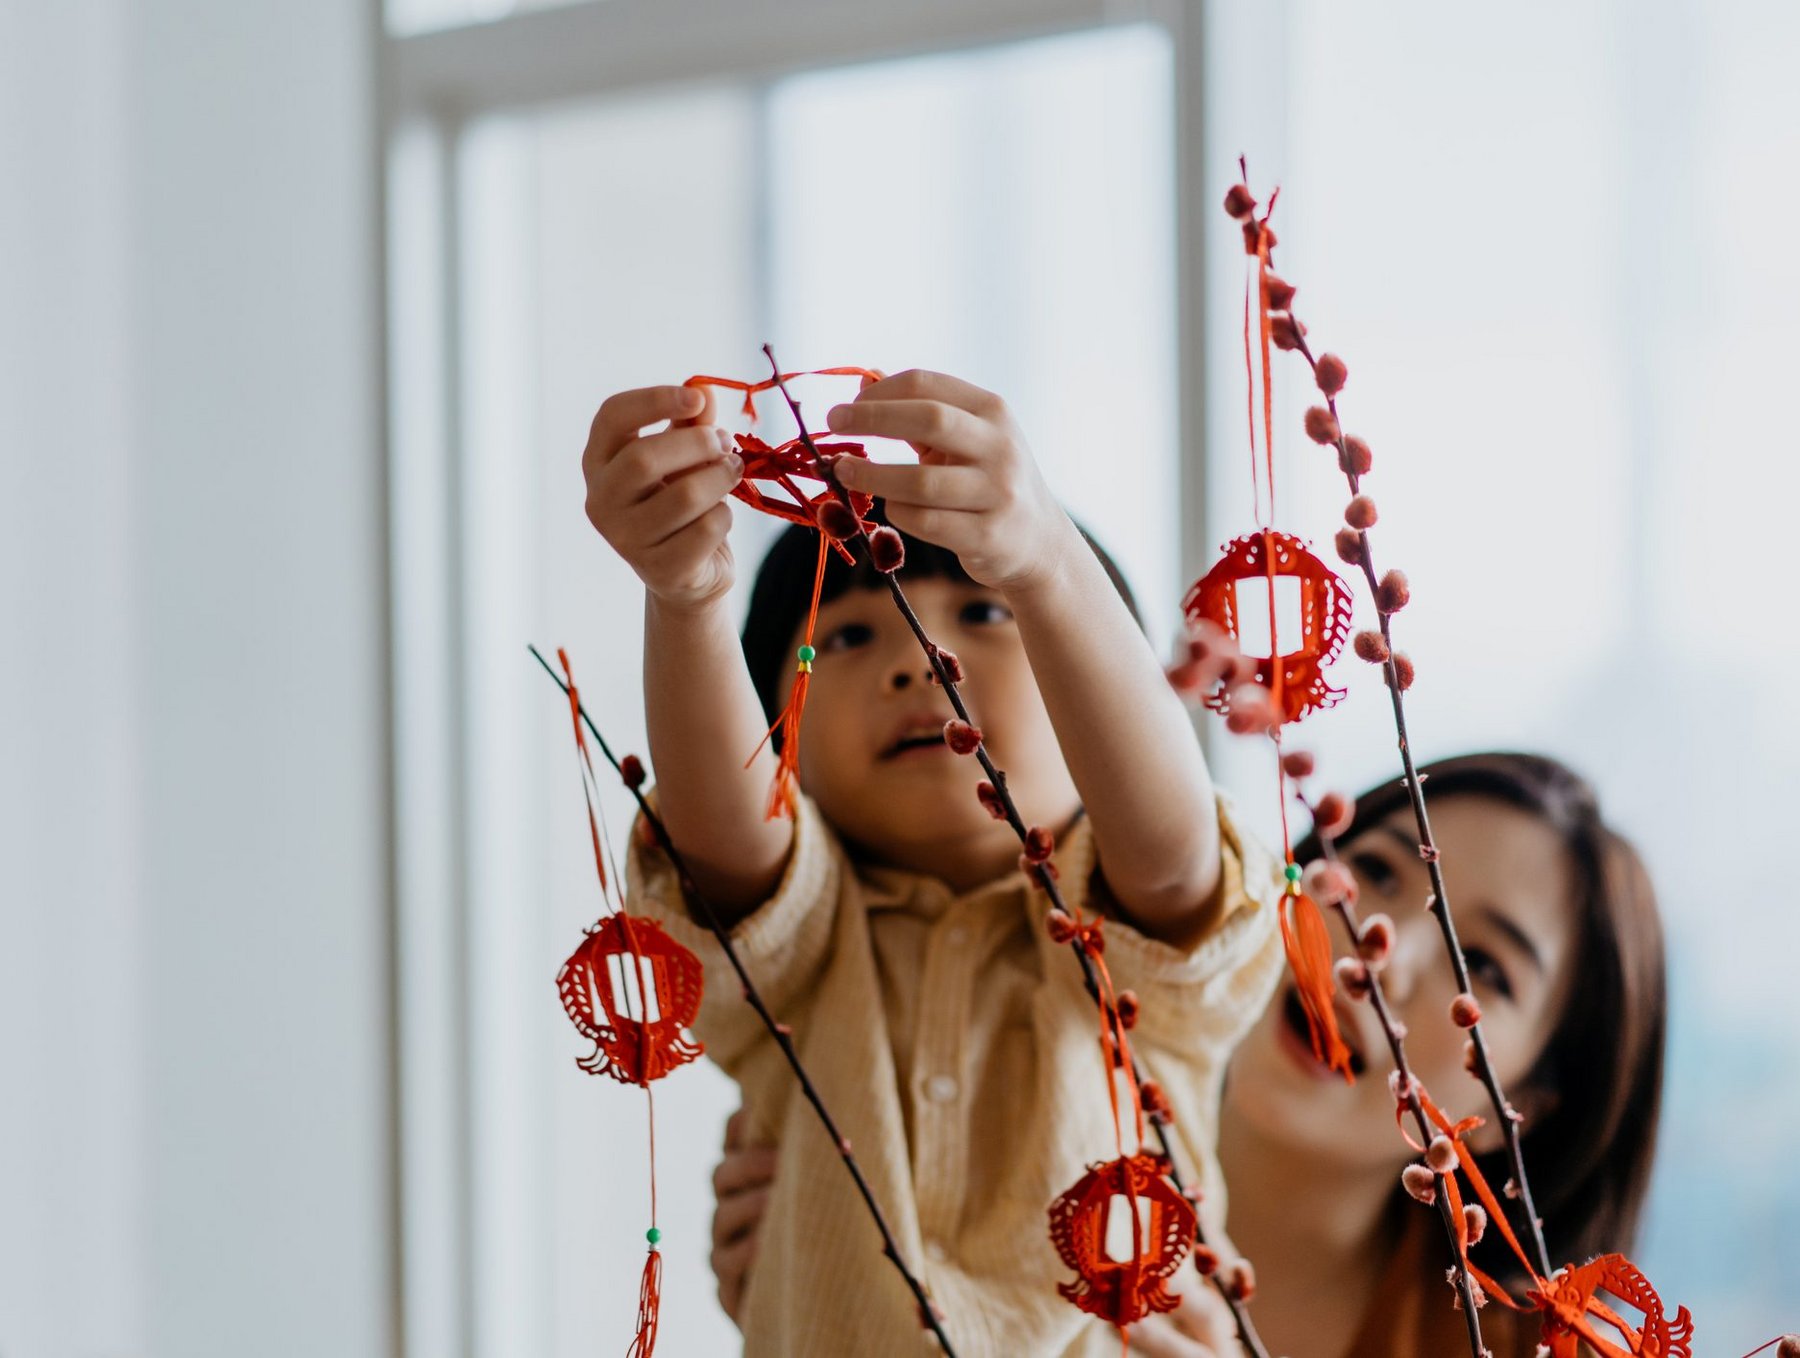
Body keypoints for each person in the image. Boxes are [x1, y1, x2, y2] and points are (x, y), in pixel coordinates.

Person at [582, 370, 1289, 1358]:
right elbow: (727, 836)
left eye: (988, 613)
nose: (917, 660)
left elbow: (1173, 859)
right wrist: (688, 593)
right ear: (778, 729)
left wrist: (1046, 562)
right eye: (849, 633)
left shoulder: (1129, 953)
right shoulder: (800, 944)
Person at [709, 752, 1668, 1358]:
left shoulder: (1516, 1348)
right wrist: (814, 1263)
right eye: (1372, 869)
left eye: (1485, 965)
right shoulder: (977, 1112)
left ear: (1527, 1106)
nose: (1379, 952)